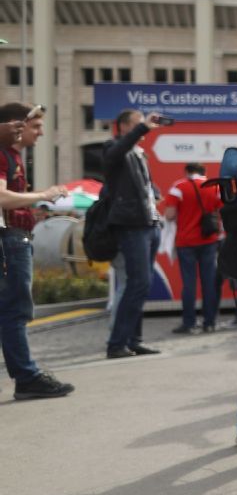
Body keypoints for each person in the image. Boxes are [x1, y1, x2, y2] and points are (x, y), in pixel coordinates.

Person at [0, 102, 73, 399]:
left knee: (13, 311)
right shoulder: (4, 154)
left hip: (15, 237)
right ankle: (27, 378)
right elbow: (1, 197)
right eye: (35, 126)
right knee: (15, 311)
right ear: (15, 127)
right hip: (11, 241)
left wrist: (32, 208)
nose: (41, 133)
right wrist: (44, 194)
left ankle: (27, 376)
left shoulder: (10, 154)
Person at [102, 108, 167, 359]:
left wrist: (155, 194)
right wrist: (143, 128)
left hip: (149, 224)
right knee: (137, 282)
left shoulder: (140, 153)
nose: (145, 128)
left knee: (143, 284)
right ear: (125, 127)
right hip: (131, 226)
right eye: (139, 124)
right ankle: (117, 343)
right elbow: (117, 152)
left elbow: (145, 186)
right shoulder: (113, 147)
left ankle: (133, 340)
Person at [163, 162, 222, 335]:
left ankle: (189, 323)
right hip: (209, 241)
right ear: (204, 172)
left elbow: (170, 215)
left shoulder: (178, 187)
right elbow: (223, 210)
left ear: (187, 172)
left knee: (189, 284)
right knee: (209, 282)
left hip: (186, 242)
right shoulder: (214, 187)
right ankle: (209, 322)